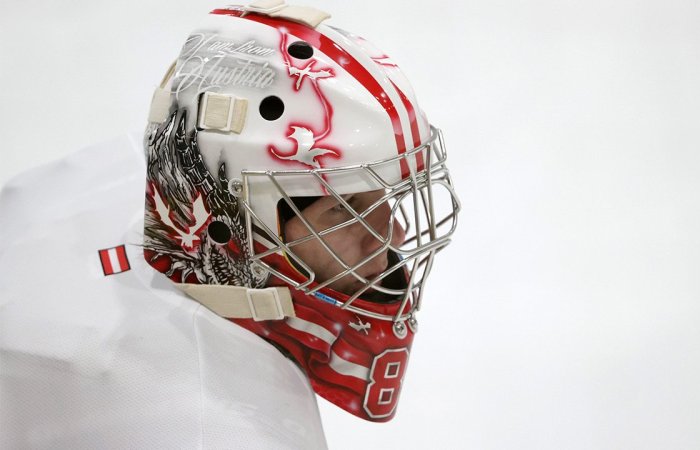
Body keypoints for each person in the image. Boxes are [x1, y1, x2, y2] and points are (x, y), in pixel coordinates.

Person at [0, 1, 459, 447]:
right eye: (344, 209)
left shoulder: (117, 172)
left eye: (386, 199)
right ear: (230, 228)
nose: (394, 237)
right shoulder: (225, 429)